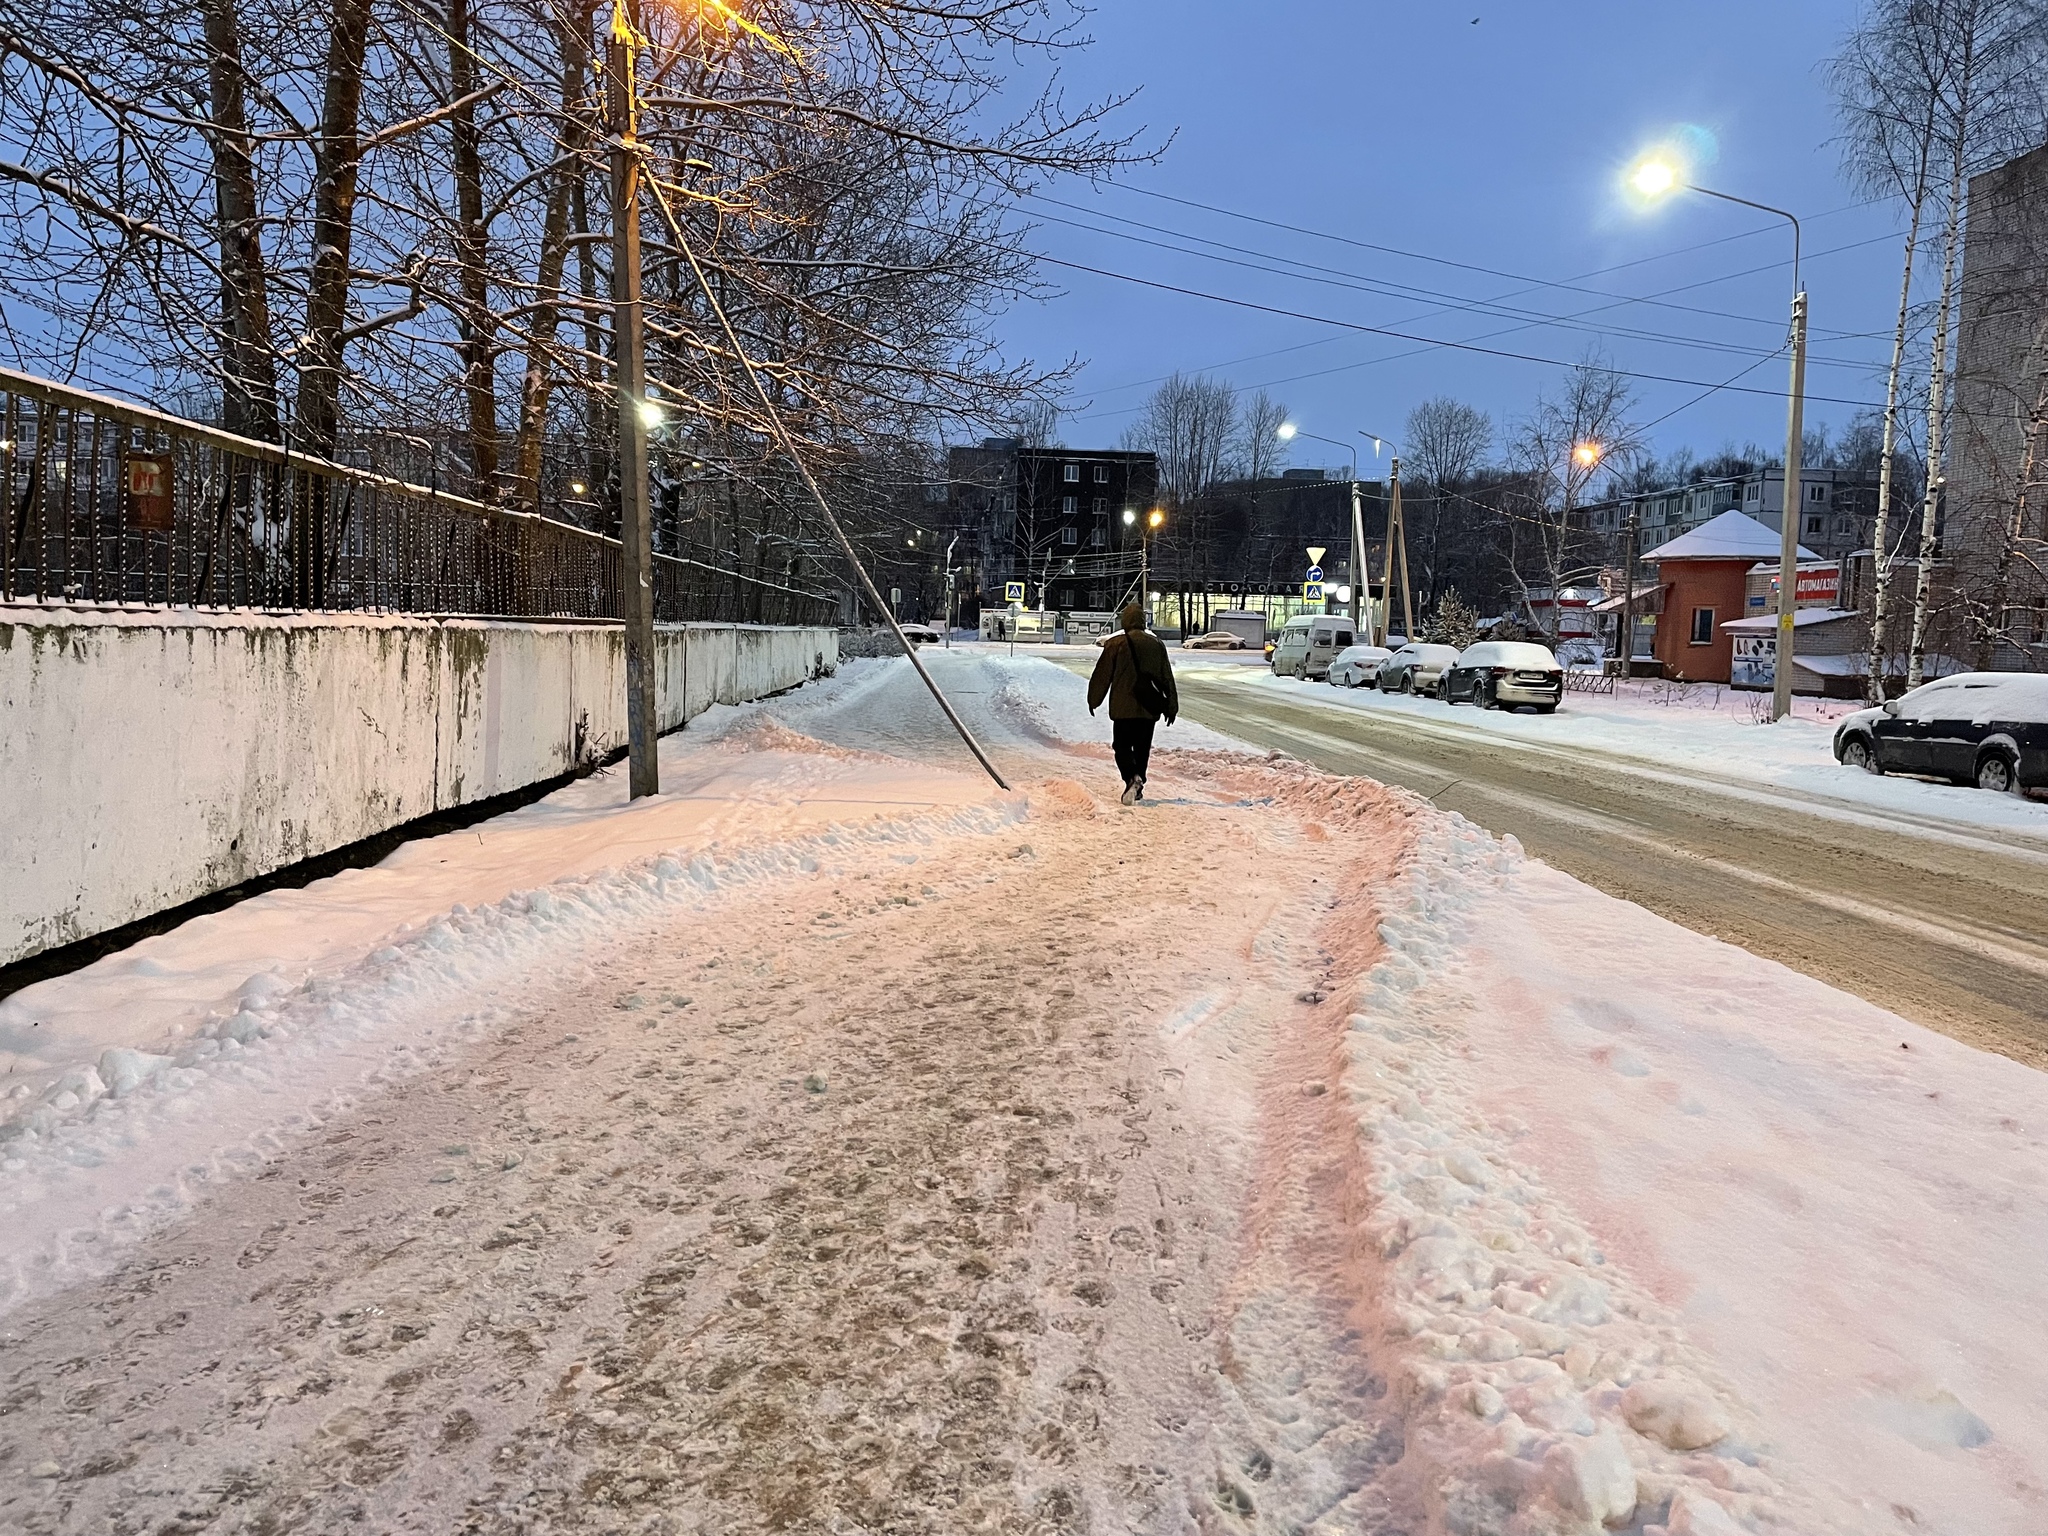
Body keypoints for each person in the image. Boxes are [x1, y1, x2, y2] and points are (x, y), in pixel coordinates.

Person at [1087, 602, 1179, 805]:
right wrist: (1171, 706)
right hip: (1149, 707)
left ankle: (1131, 777)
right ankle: (1138, 783)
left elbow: (1102, 675)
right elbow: (1167, 677)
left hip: (1122, 707)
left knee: (1121, 746)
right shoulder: (1156, 644)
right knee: (1142, 748)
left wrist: (1094, 699)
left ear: (1125, 621)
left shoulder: (1115, 644)